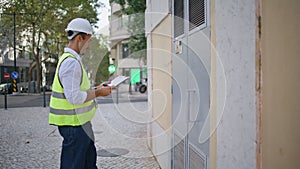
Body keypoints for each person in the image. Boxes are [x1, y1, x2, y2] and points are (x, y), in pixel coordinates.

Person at [49, 18, 111, 169]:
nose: (89, 46)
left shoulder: (72, 61)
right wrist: (98, 93)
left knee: (88, 164)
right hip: (74, 127)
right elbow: (74, 97)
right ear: (79, 38)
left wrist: (97, 88)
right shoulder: (71, 63)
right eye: (89, 41)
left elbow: (76, 90)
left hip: (79, 125)